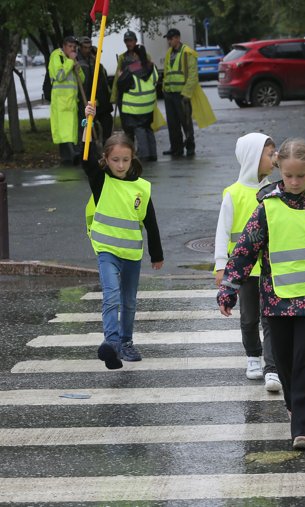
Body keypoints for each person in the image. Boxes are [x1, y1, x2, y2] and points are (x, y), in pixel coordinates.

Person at [217, 138, 305, 451]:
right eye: (289, 176)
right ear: (280, 169)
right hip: (276, 299)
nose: (294, 182)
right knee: (283, 360)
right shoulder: (267, 208)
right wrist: (229, 288)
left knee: (304, 358)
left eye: (301, 176)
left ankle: (303, 426)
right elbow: (245, 250)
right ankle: (294, 405)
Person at [82, 103, 164, 370]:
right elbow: (84, 160)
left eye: (125, 160)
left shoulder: (142, 187)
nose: (120, 165)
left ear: (132, 158)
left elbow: (150, 222)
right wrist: (87, 123)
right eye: (115, 160)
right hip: (106, 250)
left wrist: (157, 253)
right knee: (112, 297)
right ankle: (112, 344)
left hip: (132, 254)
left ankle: (126, 342)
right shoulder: (101, 181)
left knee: (129, 302)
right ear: (106, 159)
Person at [213, 133, 281, 392]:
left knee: (270, 317)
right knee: (249, 317)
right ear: (253, 157)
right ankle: (253, 356)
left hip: (268, 267)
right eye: (269, 153)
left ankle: (272, 366)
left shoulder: (275, 190)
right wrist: (222, 265)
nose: (274, 158)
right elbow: (222, 231)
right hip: (244, 270)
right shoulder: (233, 193)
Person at [162, 28, 216, 157]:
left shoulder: (187, 53)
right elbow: (167, 72)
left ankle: (190, 147)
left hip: (182, 95)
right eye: (168, 39)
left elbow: (193, 75)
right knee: (173, 124)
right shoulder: (169, 52)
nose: (169, 41)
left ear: (177, 38)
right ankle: (176, 148)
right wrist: (164, 89)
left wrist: (186, 93)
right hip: (170, 94)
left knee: (186, 122)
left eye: (171, 39)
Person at [117, 44, 160, 162]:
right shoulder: (152, 66)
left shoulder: (131, 68)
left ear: (135, 55)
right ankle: (152, 154)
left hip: (134, 106)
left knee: (139, 128)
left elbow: (121, 85)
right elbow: (156, 80)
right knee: (148, 127)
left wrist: (120, 75)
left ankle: (144, 154)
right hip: (149, 105)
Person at [49, 36, 84, 165]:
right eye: (70, 46)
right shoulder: (56, 56)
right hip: (61, 102)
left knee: (71, 131)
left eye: (74, 47)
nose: (72, 49)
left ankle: (73, 156)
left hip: (72, 102)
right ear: (64, 46)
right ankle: (68, 158)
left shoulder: (71, 60)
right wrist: (70, 62)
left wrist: (78, 69)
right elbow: (59, 76)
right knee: (64, 132)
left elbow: (82, 80)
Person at [77, 36, 113, 142]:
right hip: (87, 101)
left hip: (101, 101)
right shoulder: (78, 62)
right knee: (90, 128)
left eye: (89, 48)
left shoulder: (98, 65)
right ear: (80, 47)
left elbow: (103, 83)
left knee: (107, 122)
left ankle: (106, 147)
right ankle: (92, 151)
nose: (88, 51)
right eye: (85, 48)